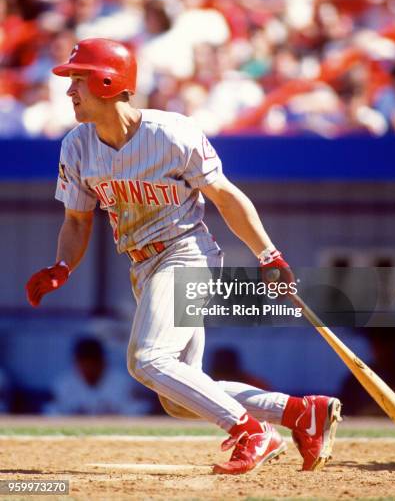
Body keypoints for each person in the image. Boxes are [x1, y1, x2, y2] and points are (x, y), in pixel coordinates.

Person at [25, 38, 342, 475]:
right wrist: (62, 265)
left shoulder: (172, 133)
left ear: (108, 80)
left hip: (186, 254)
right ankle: (300, 412)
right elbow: (78, 221)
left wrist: (268, 253)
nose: (69, 91)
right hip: (143, 265)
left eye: (78, 79)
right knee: (178, 397)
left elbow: (225, 197)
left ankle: (251, 431)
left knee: (147, 360)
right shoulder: (77, 146)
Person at [44, 336, 153, 416]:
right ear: (76, 363)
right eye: (83, 362)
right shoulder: (63, 384)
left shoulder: (123, 382)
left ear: (102, 362)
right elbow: (51, 413)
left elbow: (139, 412)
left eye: (92, 362)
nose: (88, 367)